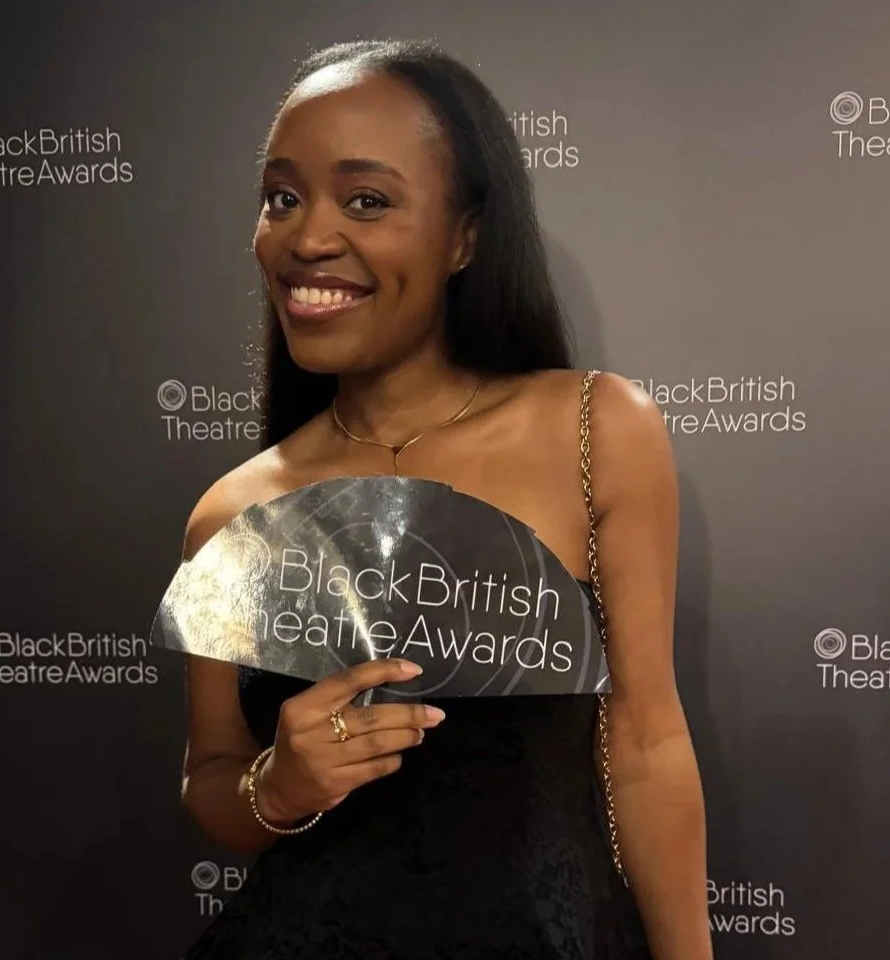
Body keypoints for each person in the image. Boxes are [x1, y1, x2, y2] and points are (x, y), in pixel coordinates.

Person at [177, 38, 713, 960]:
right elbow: (211, 780)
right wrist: (280, 784)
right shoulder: (233, 514)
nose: (308, 237)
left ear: (465, 234)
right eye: (282, 197)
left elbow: (647, 743)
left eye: (368, 200)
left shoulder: (597, 429)